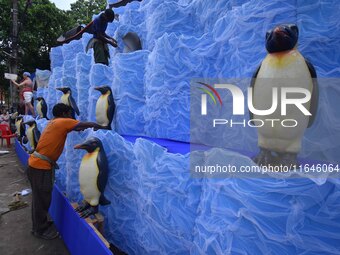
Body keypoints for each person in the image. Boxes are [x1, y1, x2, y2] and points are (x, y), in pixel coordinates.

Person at [27, 103, 108, 240]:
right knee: (42, 200)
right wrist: (100, 126)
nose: (72, 116)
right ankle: (39, 230)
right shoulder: (63, 121)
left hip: (35, 165)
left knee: (39, 199)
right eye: (70, 114)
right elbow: (82, 125)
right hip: (40, 168)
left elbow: (74, 128)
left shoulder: (54, 122)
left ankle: (41, 224)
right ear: (65, 113)